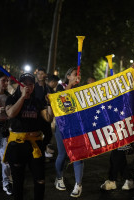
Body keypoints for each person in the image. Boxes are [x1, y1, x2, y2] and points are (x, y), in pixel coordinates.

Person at [4, 73, 54, 200]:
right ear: (19, 85)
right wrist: (22, 98)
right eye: (24, 84)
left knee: (40, 179)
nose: (28, 86)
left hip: (35, 145)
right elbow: (11, 113)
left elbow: (48, 118)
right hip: (17, 145)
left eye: (31, 84)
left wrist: (50, 103)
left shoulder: (37, 101)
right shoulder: (12, 99)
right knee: (18, 181)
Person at [54, 67, 84, 198]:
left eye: (79, 75)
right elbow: (62, 98)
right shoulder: (61, 87)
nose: (78, 77)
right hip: (62, 127)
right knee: (62, 155)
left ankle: (78, 184)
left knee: (78, 155)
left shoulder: (82, 90)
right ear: (68, 77)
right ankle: (59, 177)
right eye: (75, 74)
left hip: (77, 127)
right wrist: (71, 86)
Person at [34, 68, 55, 159]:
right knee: (37, 134)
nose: (40, 75)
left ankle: (42, 149)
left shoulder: (48, 88)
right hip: (36, 114)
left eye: (42, 74)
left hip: (46, 114)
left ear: (45, 75)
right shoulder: (34, 87)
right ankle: (37, 152)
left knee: (48, 134)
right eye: (39, 74)